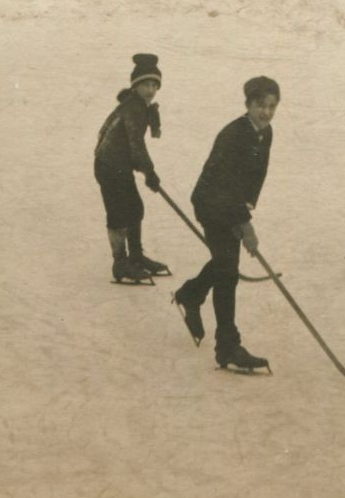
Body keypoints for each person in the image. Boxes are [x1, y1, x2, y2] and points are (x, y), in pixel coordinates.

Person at [172, 77, 281, 373]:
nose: (267, 112)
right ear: (248, 105)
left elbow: (257, 174)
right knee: (227, 271)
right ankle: (227, 347)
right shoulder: (234, 135)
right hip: (211, 203)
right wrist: (246, 227)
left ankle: (191, 294)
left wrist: (248, 205)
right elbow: (226, 184)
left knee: (224, 264)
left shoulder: (265, 133)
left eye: (272, 106)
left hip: (231, 206)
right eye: (261, 106)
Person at [94, 54, 167, 284]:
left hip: (119, 165)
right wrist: (150, 173)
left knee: (135, 208)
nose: (151, 90)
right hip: (109, 166)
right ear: (135, 85)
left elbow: (128, 143)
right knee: (118, 213)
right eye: (146, 84)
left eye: (154, 85)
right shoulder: (133, 108)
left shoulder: (139, 107)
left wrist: (140, 167)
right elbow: (136, 144)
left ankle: (135, 257)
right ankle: (120, 263)